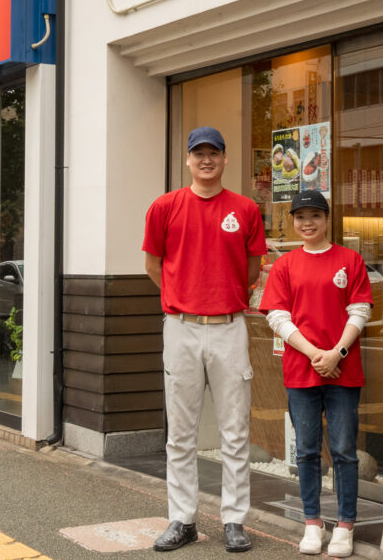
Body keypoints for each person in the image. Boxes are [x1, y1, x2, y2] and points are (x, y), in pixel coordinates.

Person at [142, 126, 267, 553]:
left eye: (214, 152)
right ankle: (183, 519)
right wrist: (182, 297)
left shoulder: (246, 209)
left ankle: (234, 520)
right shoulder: (165, 207)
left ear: (225, 159)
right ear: (189, 159)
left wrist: (222, 297)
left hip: (230, 327)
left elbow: (252, 269)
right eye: (199, 153)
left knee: (235, 431)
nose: (206, 160)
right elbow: (153, 265)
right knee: (181, 433)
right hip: (181, 327)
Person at [259, 190, 372, 557]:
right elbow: (277, 316)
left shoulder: (349, 260)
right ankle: (312, 521)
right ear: (293, 220)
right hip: (301, 370)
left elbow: (360, 311)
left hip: (343, 370)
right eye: (300, 216)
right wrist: (314, 354)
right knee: (307, 452)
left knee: (343, 451)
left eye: (315, 216)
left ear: (327, 219)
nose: (307, 223)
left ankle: (345, 524)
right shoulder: (285, 264)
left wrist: (336, 352)